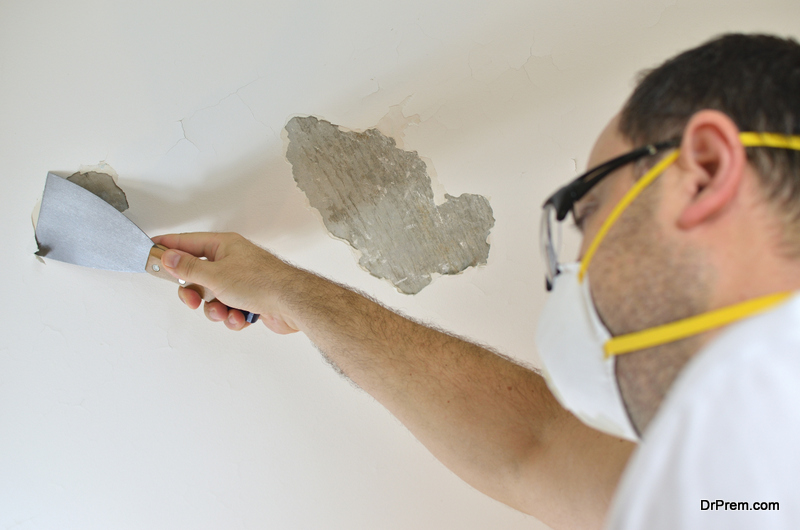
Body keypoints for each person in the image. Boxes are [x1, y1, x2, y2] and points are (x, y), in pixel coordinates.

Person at [153, 33, 800, 530]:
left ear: (705, 172)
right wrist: (288, 291)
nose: (577, 271)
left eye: (590, 210)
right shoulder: (741, 494)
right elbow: (532, 447)